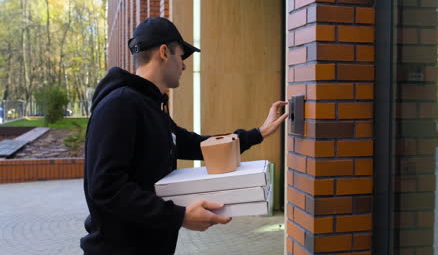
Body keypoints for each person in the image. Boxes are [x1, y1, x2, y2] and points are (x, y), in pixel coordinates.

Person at [80, 17, 288, 255]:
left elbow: (196, 145)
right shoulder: (120, 105)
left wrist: (258, 134)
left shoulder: (150, 107)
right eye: (181, 55)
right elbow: (107, 187)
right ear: (164, 52)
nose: (184, 65)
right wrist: (179, 216)